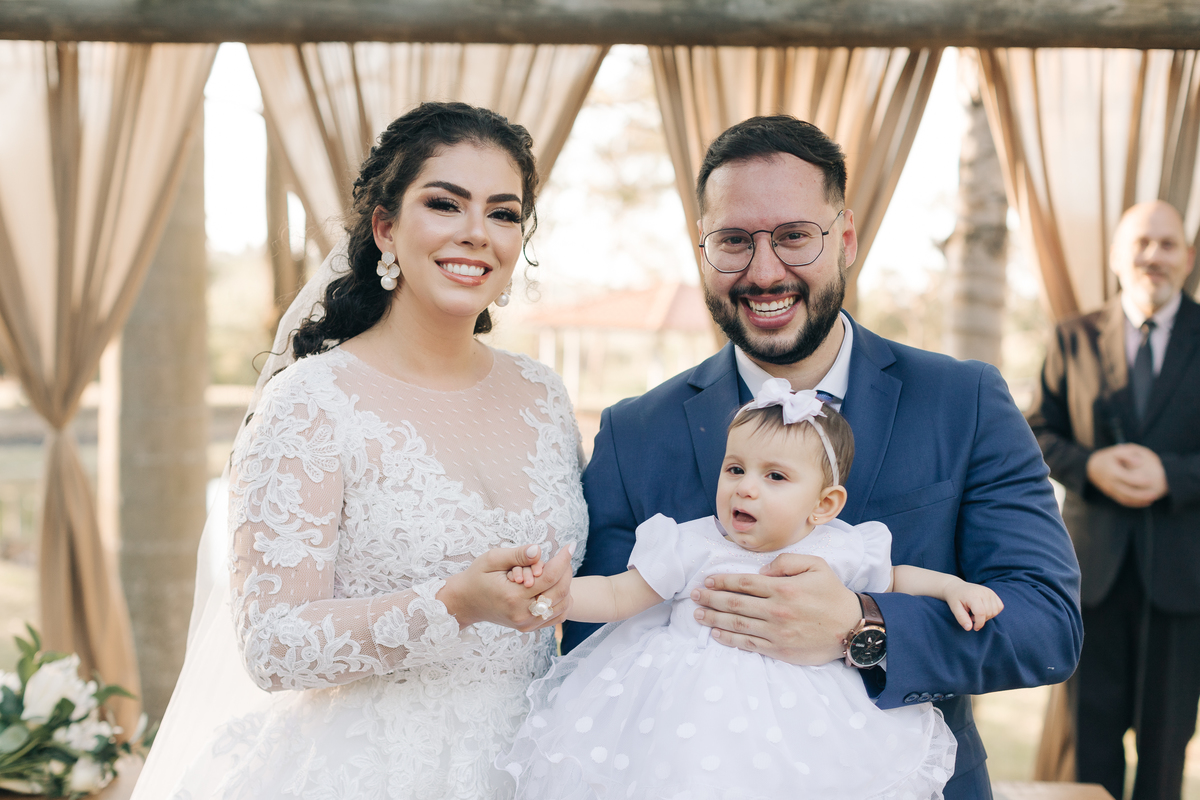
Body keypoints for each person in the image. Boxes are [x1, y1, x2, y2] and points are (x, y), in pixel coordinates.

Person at [563, 115, 1083, 799]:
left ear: (846, 239)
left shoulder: (965, 400)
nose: (764, 271)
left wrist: (861, 627)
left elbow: (1045, 623)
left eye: (794, 236)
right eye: (734, 241)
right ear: (703, 250)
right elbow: (588, 642)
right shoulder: (634, 431)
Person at [132, 102, 588, 800]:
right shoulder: (311, 403)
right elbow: (272, 644)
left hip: (530, 767)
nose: (477, 232)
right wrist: (452, 604)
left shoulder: (543, 396)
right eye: (445, 204)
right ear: (385, 228)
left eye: (503, 213)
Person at [500, 381, 1004, 799]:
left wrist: (952, 587)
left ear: (824, 504)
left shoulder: (839, 548)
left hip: (805, 723)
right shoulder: (691, 543)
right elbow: (619, 595)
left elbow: (897, 579)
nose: (745, 487)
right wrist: (562, 597)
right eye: (735, 469)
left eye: (775, 476)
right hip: (688, 721)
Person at [1026, 200, 1199, 800]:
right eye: (1141, 243)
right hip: (1089, 580)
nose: (1153, 256)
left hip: (1183, 582)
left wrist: (1173, 476)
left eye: (1167, 244)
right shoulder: (1071, 337)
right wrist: (1090, 466)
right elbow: (1035, 433)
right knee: (1090, 748)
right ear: (1116, 257)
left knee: (1165, 753)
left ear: (1188, 258)